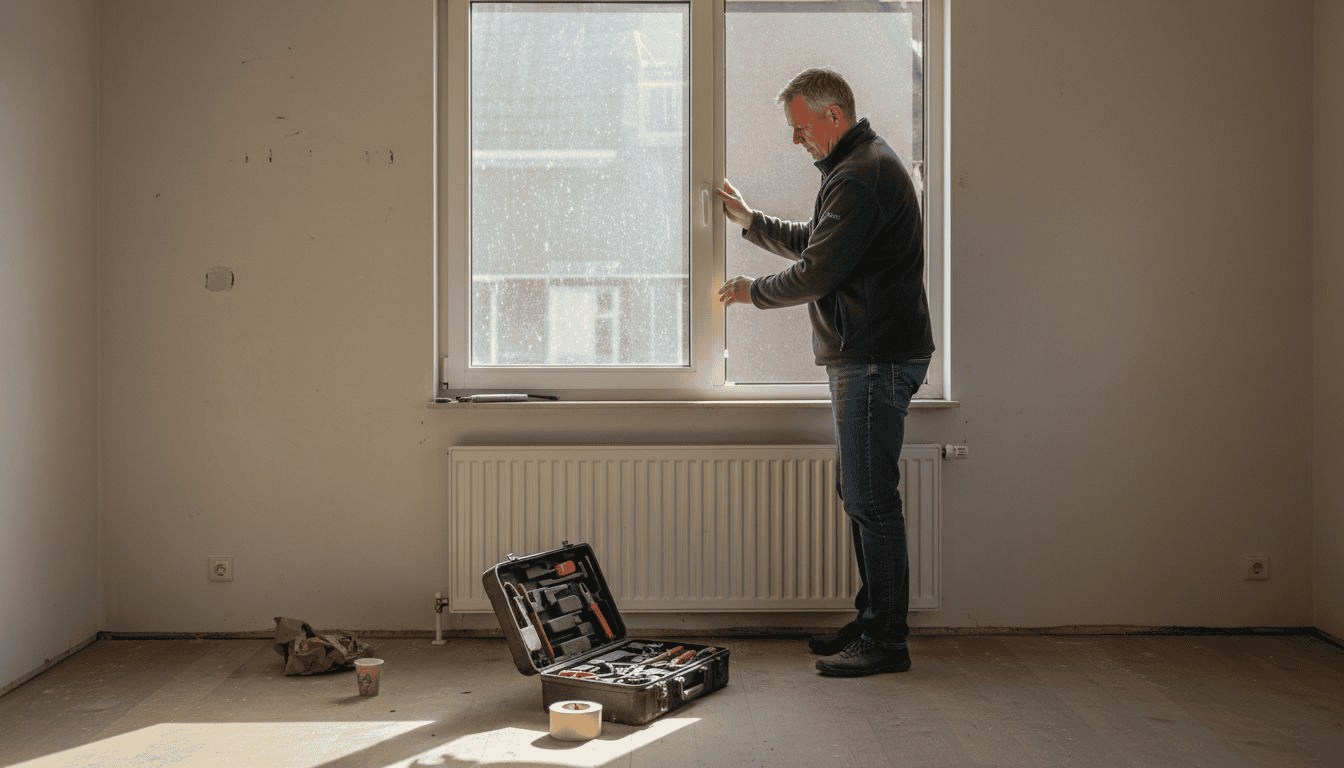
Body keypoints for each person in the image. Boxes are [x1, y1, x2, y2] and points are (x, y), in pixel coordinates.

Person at [716, 68, 934, 677]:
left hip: (875, 359)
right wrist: (751, 221)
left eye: (800, 127)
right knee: (859, 492)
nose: (795, 139)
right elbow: (820, 243)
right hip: (870, 356)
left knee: (871, 498)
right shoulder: (856, 168)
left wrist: (753, 292)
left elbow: (816, 272)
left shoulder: (861, 174)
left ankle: (886, 639)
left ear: (832, 115)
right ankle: (873, 622)